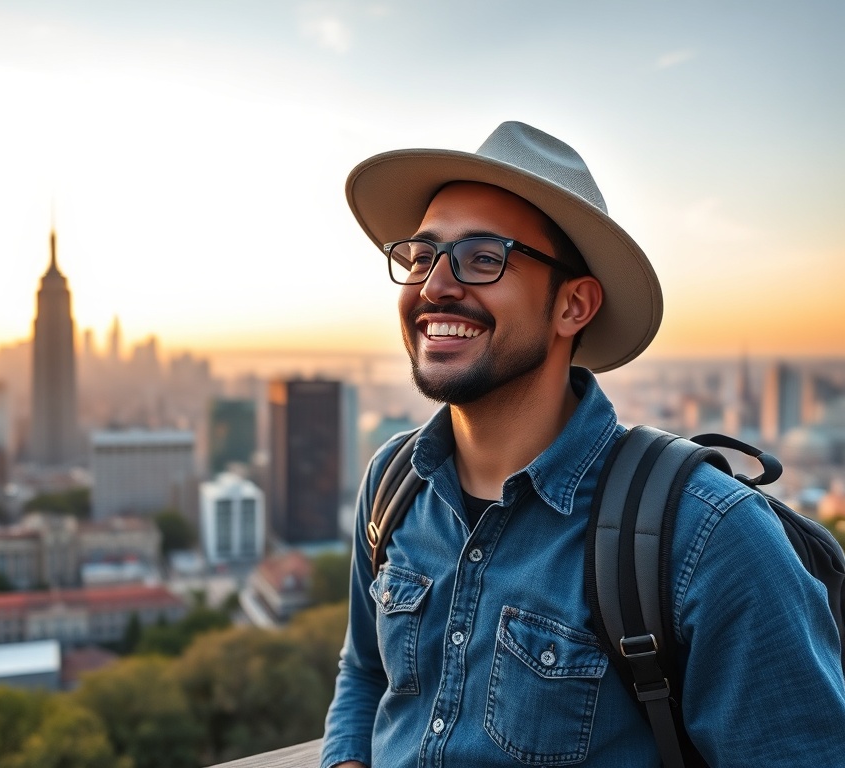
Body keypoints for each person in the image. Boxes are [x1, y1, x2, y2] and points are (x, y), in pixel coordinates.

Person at [319, 121, 845, 767]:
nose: (434, 287)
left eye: (484, 259)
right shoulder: (395, 482)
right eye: (422, 257)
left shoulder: (707, 537)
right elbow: (367, 672)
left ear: (574, 306)